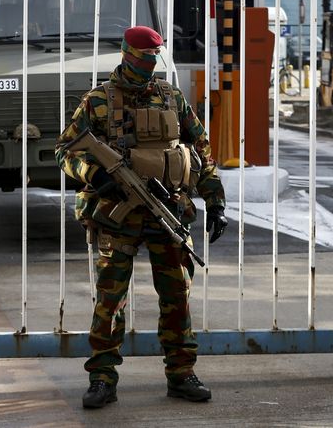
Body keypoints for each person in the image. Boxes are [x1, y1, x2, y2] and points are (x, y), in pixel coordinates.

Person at [55, 26, 228, 408]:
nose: (149, 65)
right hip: (117, 218)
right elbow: (66, 150)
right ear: (126, 55)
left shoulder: (172, 98)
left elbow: (201, 152)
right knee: (110, 300)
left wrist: (215, 200)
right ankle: (102, 378)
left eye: (154, 58)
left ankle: (181, 373)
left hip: (168, 212)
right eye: (143, 58)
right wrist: (94, 174)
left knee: (177, 298)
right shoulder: (98, 101)